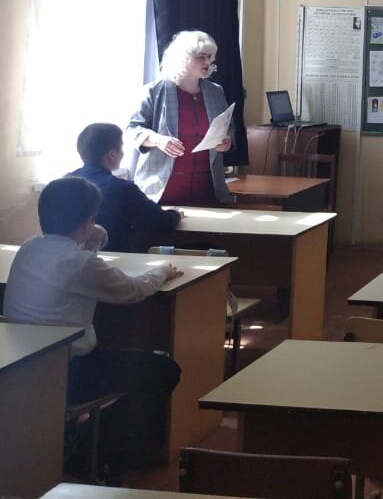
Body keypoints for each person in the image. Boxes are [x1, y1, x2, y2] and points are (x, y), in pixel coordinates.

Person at [3, 176, 183, 475]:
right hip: (70, 370)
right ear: (88, 221)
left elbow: (79, 271)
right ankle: (101, 450)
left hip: (22, 367)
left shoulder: (29, 248)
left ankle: (82, 438)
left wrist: (91, 239)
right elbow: (132, 290)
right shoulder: (81, 263)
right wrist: (161, 271)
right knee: (164, 370)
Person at [126, 30, 234, 206]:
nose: (208, 62)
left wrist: (228, 140)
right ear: (183, 58)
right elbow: (132, 130)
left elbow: (229, 127)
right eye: (201, 57)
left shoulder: (216, 91)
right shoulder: (154, 91)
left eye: (210, 57)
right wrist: (158, 140)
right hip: (162, 190)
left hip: (207, 189)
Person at [70, 122, 180, 253]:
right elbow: (163, 223)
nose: (122, 154)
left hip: (68, 259)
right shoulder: (124, 189)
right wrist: (175, 213)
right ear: (112, 155)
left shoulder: (63, 182)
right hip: (117, 258)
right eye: (121, 149)